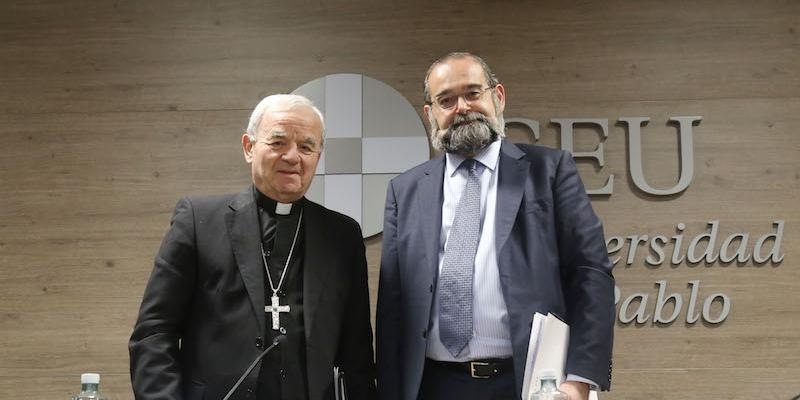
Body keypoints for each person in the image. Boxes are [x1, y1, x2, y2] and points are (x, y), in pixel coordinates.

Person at [376, 52, 614, 400]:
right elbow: (392, 307)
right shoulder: (405, 190)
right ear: (430, 114)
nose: (462, 107)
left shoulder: (549, 171)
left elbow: (591, 273)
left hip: (528, 384)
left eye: (473, 93)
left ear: (497, 97)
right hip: (433, 386)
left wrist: (578, 380)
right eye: (446, 100)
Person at [130, 94, 376, 400]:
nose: (292, 157)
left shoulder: (342, 235)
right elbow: (154, 333)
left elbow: (357, 354)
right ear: (249, 147)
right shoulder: (199, 220)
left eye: (306, 147)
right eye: (278, 142)